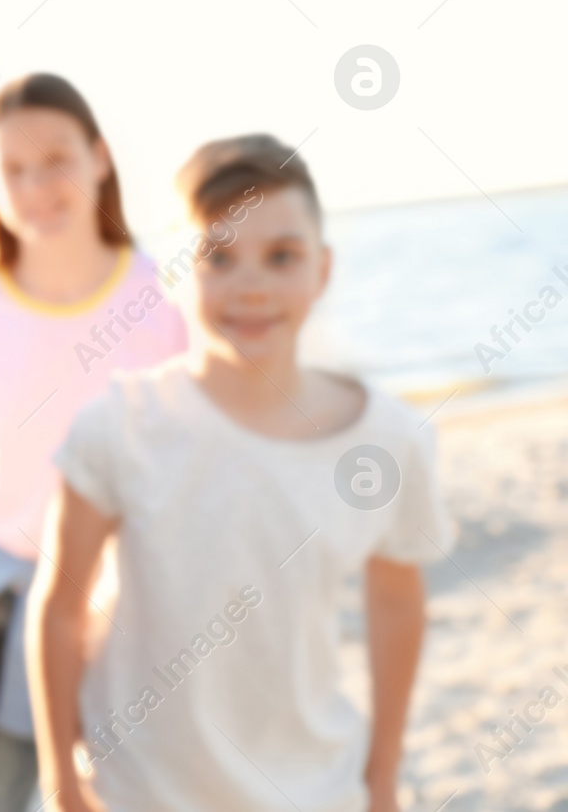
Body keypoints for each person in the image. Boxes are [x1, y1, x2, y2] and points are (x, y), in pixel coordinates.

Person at [31, 135, 451, 811]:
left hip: (314, 789)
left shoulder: (386, 439)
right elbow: (59, 605)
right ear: (173, 273)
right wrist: (61, 780)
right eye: (218, 257)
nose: (251, 283)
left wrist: (382, 776)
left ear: (322, 269)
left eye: (281, 256)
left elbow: (398, 600)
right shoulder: (120, 425)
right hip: (139, 790)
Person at [0, 74, 186, 810]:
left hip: (128, 589)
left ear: (100, 157)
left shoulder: (168, 298)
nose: (36, 186)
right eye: (11, 168)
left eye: (56, 159)